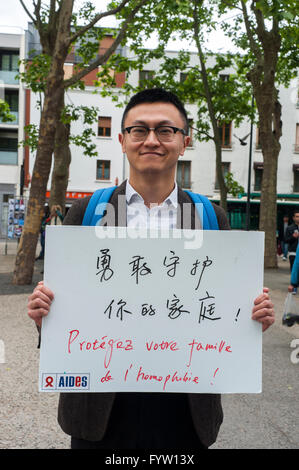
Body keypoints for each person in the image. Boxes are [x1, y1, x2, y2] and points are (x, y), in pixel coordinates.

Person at [27, 88, 275, 450]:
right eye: (139, 130)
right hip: (101, 408)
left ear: (184, 141)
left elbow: (223, 306)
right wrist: (45, 317)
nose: (152, 140)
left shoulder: (209, 217)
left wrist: (252, 318)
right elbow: (66, 306)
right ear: (122, 140)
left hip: (185, 409)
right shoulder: (87, 213)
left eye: (166, 130)